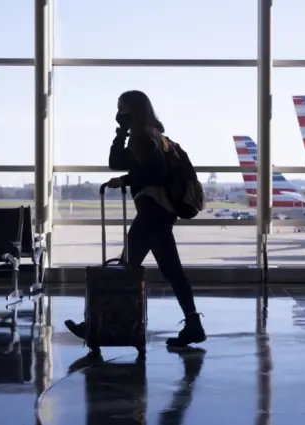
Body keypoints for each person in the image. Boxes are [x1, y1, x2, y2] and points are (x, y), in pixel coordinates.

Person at [65, 90, 206, 347]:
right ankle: (193, 324)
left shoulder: (144, 138)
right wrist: (121, 132)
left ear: (132, 109)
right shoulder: (154, 136)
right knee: (171, 270)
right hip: (161, 212)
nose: (119, 113)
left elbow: (155, 171)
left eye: (122, 108)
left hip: (153, 211)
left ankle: (95, 325)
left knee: (123, 268)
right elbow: (116, 161)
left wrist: (125, 180)